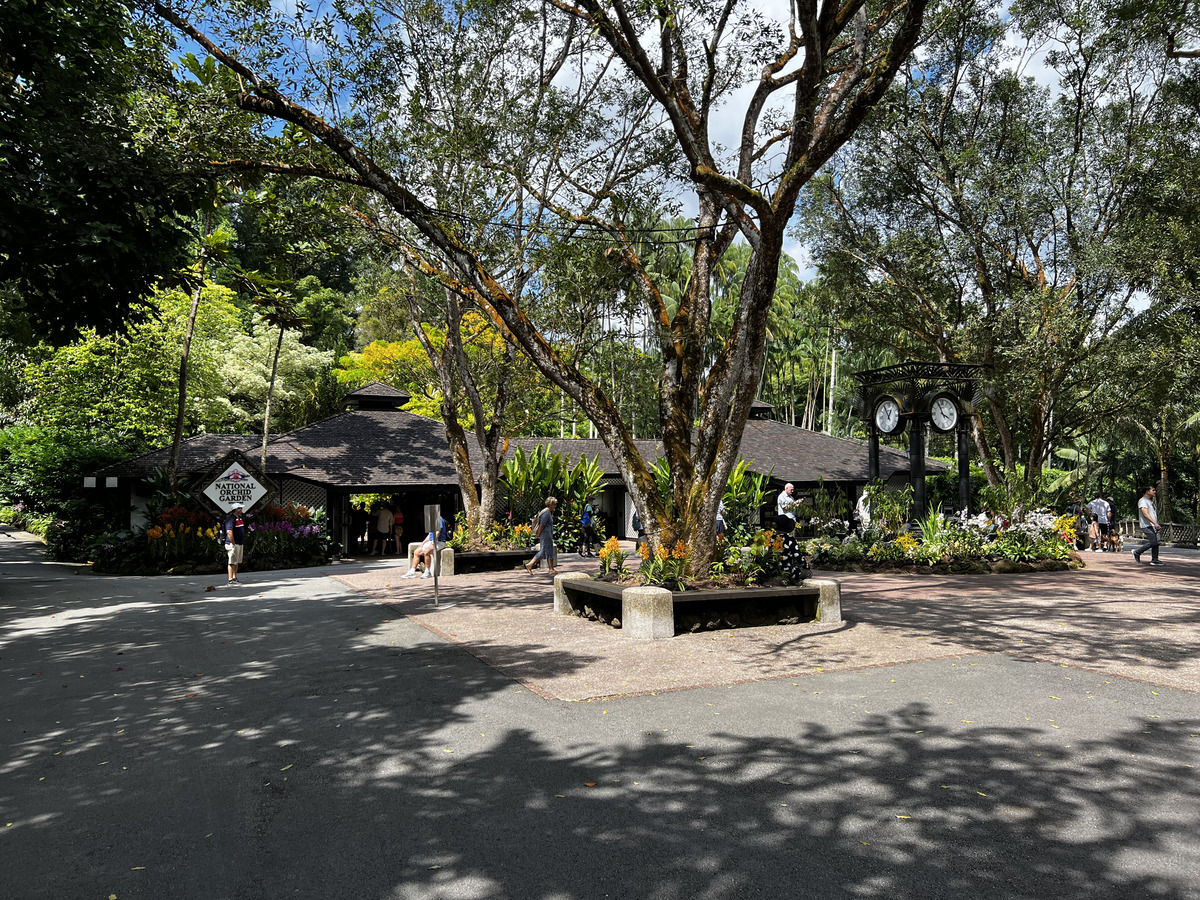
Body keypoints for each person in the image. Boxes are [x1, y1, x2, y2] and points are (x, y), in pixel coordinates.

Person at [404, 513, 448, 578]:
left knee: (426, 552)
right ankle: (412, 571)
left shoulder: (438, 519)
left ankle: (427, 572)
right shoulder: (432, 521)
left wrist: (432, 543)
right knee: (416, 552)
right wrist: (422, 543)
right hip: (432, 541)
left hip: (439, 541)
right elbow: (430, 535)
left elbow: (438, 532)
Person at [1131, 485, 1165, 566]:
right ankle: (1137, 552)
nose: (1155, 492)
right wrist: (1155, 523)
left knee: (1156, 542)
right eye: (1153, 490)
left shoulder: (1150, 501)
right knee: (1153, 542)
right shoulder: (1143, 501)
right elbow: (1145, 514)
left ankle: (1155, 560)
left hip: (1153, 525)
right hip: (1147, 525)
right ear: (1147, 491)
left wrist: (1156, 523)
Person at [525, 496, 559, 575]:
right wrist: (538, 534)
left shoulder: (547, 511)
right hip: (546, 534)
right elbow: (542, 525)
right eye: (554, 504)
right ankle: (530, 564)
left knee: (549, 551)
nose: (555, 506)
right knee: (543, 551)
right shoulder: (546, 513)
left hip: (547, 534)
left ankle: (551, 569)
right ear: (550, 504)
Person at [775, 515, 809, 585]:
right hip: (787, 570)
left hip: (772, 570)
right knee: (806, 573)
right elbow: (797, 555)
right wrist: (806, 566)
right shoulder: (789, 539)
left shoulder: (770, 538)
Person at [224, 502, 246, 586]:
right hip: (233, 543)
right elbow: (229, 532)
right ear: (236, 509)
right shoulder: (231, 519)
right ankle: (230, 580)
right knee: (232, 562)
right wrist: (232, 542)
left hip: (239, 543)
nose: (241, 509)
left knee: (236, 562)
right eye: (240, 508)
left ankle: (234, 578)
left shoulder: (239, 518)